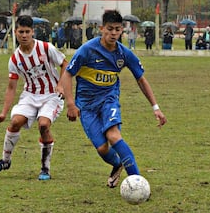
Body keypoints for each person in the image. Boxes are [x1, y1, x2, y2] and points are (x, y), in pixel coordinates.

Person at [59, 10, 167, 188]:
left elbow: (141, 79)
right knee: (102, 148)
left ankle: (138, 183)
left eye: (117, 29)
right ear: (102, 29)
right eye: (110, 29)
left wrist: (155, 107)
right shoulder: (87, 50)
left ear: (122, 30)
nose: (114, 33)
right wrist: (71, 104)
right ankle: (117, 164)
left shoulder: (123, 54)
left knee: (114, 135)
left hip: (109, 100)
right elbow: (67, 74)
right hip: (86, 106)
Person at [0, 15, 68, 181]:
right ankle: (5, 160)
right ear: (15, 33)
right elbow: (11, 87)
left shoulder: (46, 48)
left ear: (33, 32)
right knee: (15, 122)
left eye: (27, 32)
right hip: (30, 95)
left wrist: (61, 85)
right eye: (21, 32)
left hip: (51, 95)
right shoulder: (15, 59)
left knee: (44, 125)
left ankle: (45, 169)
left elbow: (65, 64)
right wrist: (3, 112)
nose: (24, 35)